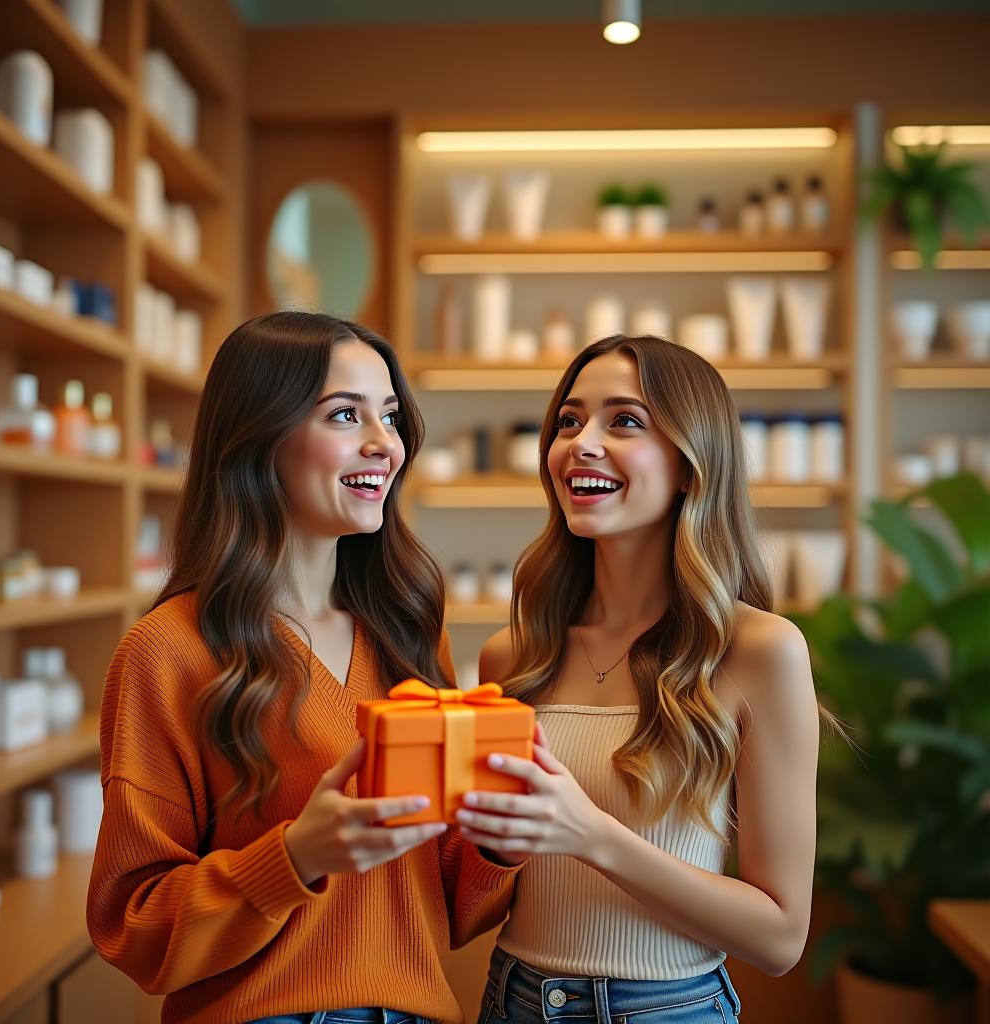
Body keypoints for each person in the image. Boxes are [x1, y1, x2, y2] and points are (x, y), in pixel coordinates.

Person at [87, 311, 522, 1024]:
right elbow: (132, 929)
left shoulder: (410, 632)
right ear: (259, 438)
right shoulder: (167, 651)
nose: (385, 444)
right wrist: (295, 856)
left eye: (389, 416)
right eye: (345, 415)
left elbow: (442, 903)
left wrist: (499, 842)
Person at [460, 334, 823, 1023]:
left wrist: (589, 834)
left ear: (691, 465)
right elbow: (487, 893)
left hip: (670, 1009)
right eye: (568, 421)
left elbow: (779, 936)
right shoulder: (513, 657)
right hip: (510, 999)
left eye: (623, 421)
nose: (581, 443)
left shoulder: (759, 651)